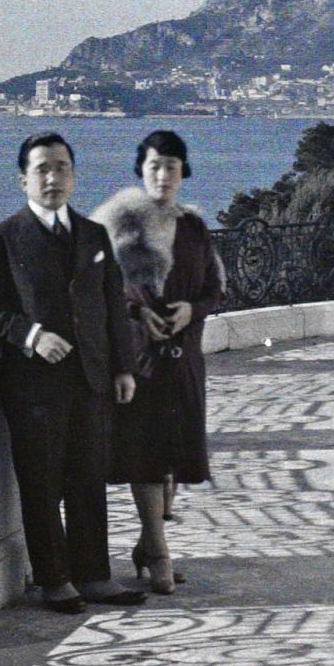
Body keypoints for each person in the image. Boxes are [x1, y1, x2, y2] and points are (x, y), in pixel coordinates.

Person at [0, 132, 148, 614]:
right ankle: (55, 580)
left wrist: (123, 367)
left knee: (89, 477)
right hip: (32, 386)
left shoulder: (93, 235)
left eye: (62, 167)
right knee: (42, 482)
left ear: (73, 175)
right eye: (43, 168)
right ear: (24, 178)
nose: (53, 177)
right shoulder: (2, 238)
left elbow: (112, 303)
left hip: (91, 379)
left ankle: (95, 576)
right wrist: (31, 336)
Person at [90, 129, 225, 594]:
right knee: (145, 454)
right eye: (154, 166)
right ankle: (160, 551)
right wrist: (136, 311)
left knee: (173, 457)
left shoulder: (193, 227)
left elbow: (213, 288)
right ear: (140, 171)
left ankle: (147, 546)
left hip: (184, 357)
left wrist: (193, 310)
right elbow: (99, 289)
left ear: (183, 172)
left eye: (171, 166)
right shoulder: (115, 224)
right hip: (137, 356)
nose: (163, 175)